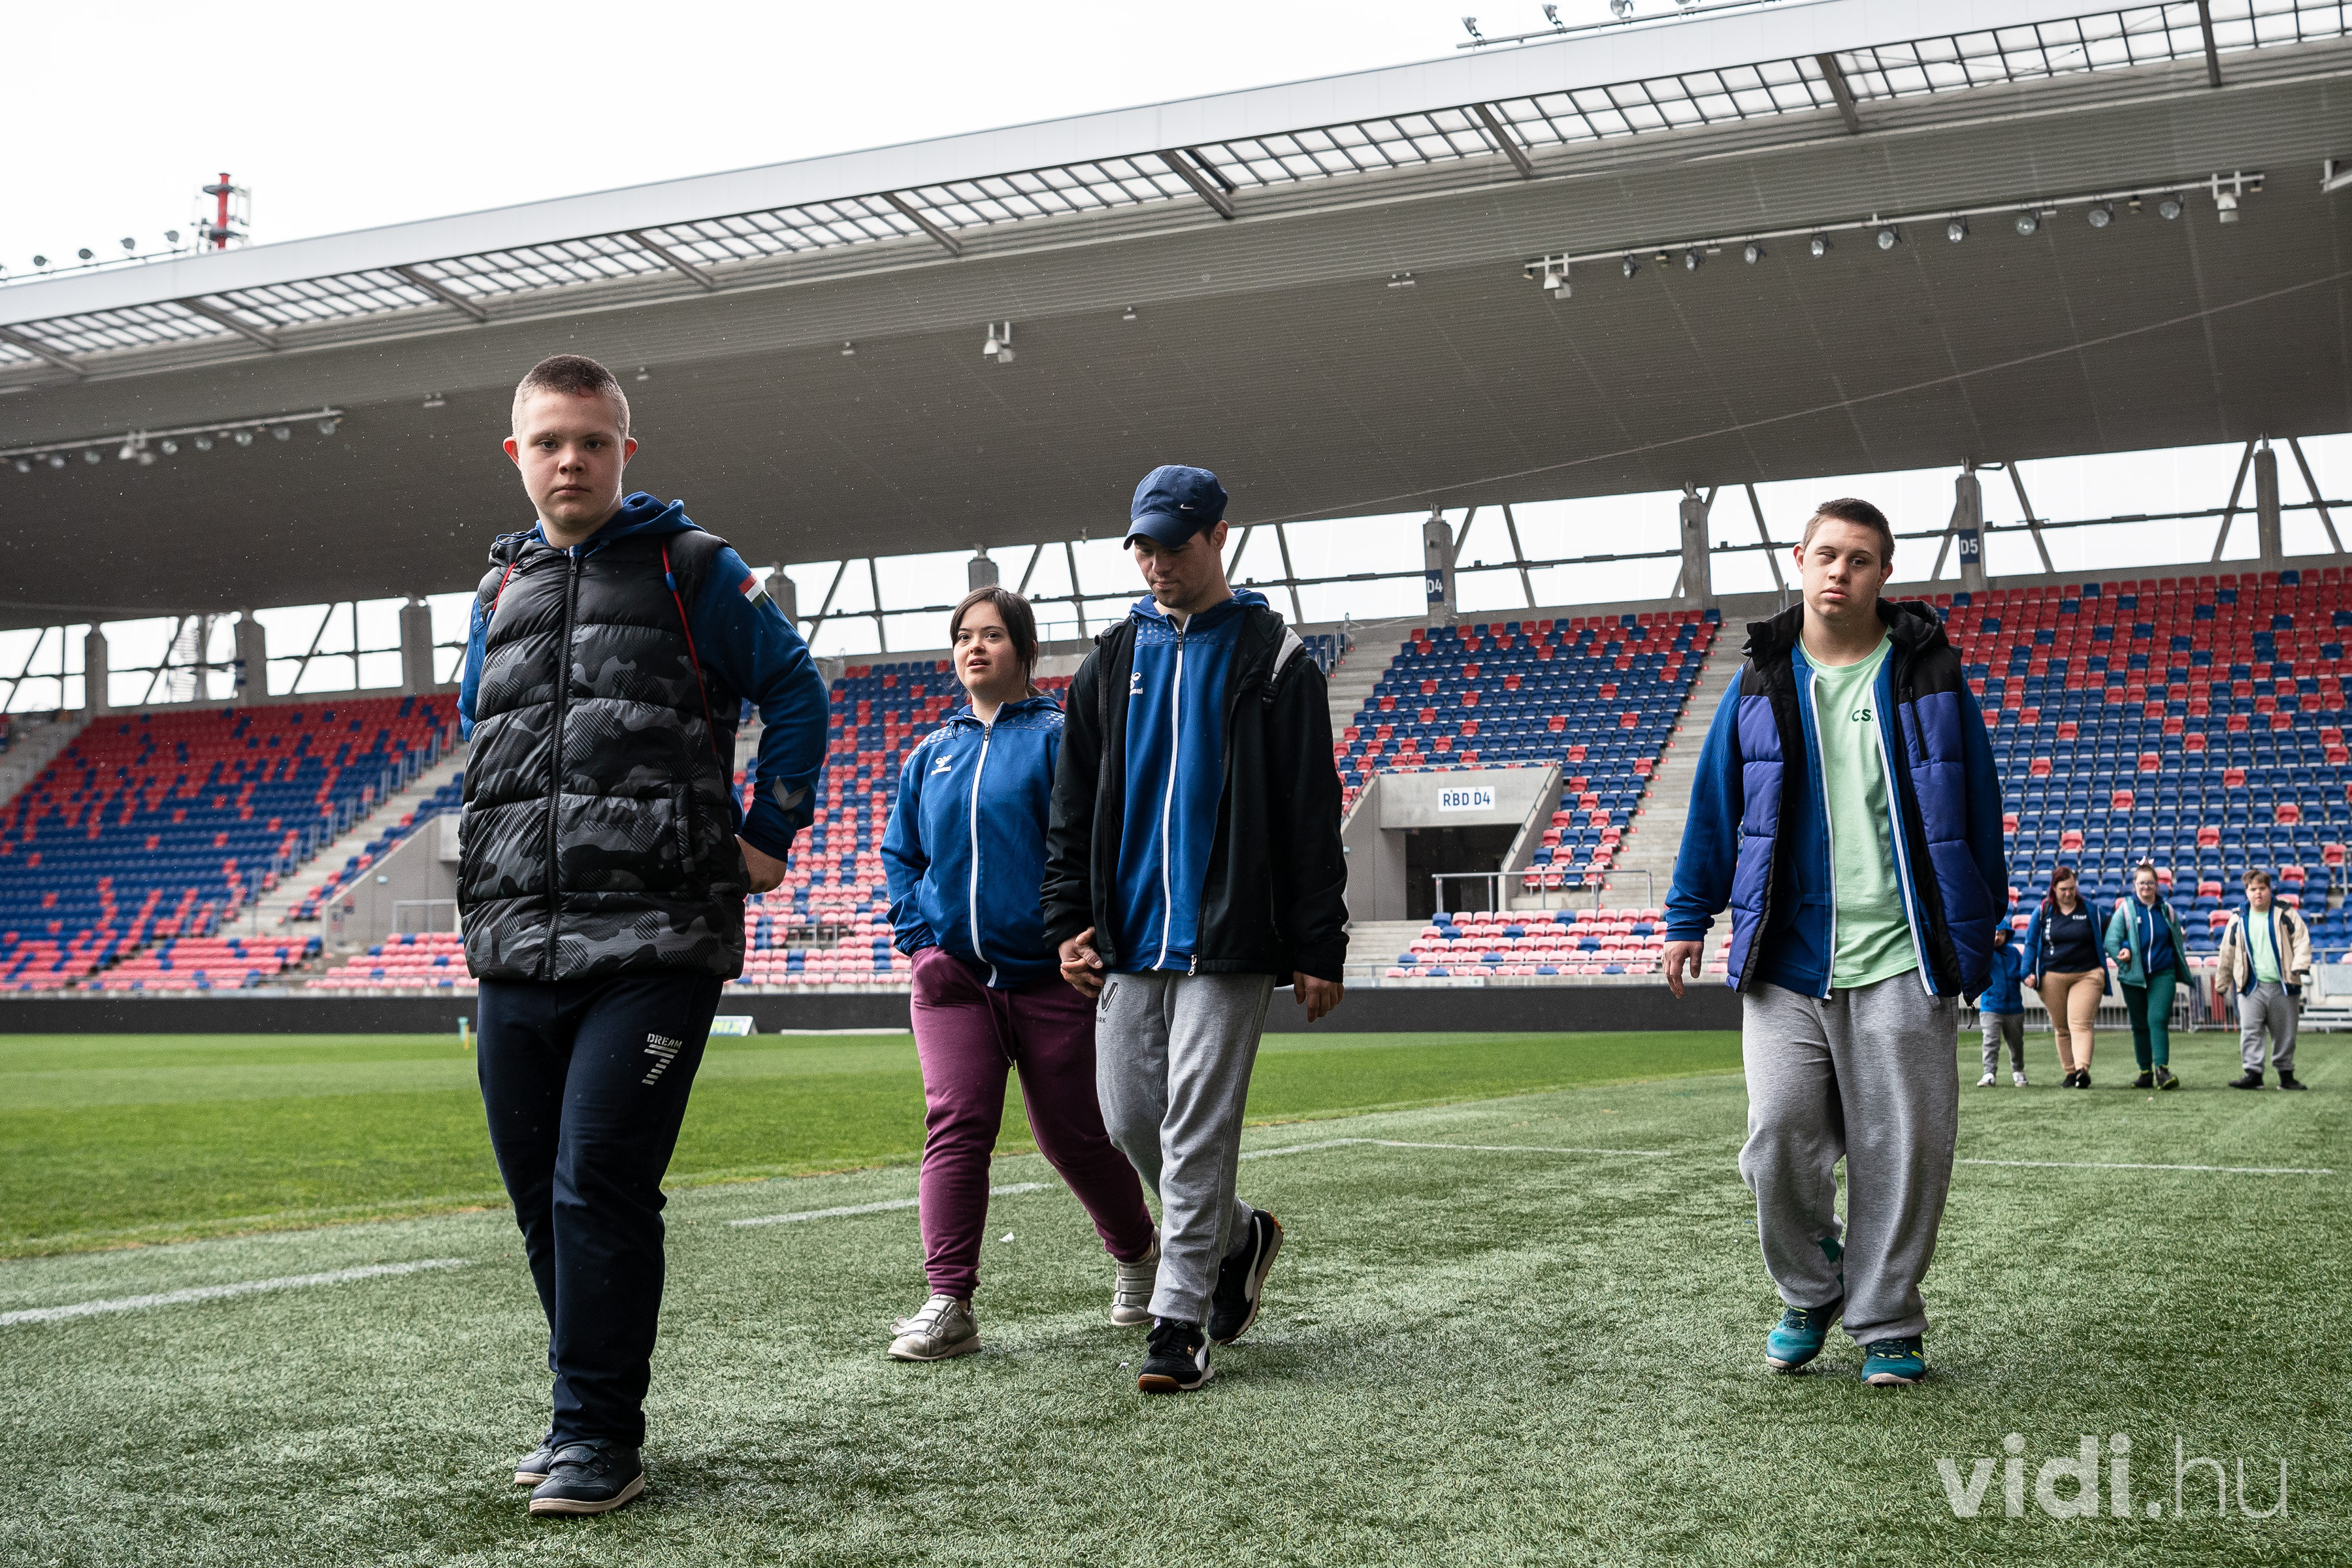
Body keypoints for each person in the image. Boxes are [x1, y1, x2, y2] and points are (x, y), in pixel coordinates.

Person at [458, 354, 829, 1516]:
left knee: (600, 1180)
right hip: (516, 940)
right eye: (549, 441)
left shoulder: (695, 567)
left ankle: (599, 1436)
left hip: (658, 939)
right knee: (539, 1194)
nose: (571, 460)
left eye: (592, 441)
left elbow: (798, 691)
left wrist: (768, 832)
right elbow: (484, 736)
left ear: (627, 452)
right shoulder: (497, 592)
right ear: (517, 455)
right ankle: (579, 1406)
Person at [1661, 497, 2004, 1388]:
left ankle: (1887, 1319)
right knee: (1777, 1136)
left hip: (1904, 952)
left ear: (1884, 572)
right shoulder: (1761, 679)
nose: (1840, 572)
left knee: (1906, 1147)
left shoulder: (1930, 673)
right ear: (1799, 561)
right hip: (1786, 958)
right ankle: (1812, 1289)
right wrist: (1687, 916)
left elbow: (1978, 810)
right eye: (1827, 555)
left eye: (1859, 559)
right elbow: (1715, 805)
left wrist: (1979, 933)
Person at [1041, 463, 1349, 1396]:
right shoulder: (1109, 659)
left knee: (1196, 1128)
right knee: (1128, 1115)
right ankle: (1241, 1236)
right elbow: (1072, 805)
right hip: (1130, 935)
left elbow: (1310, 810)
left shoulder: (1278, 659)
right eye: (1144, 547)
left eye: (1174, 545)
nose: (1157, 564)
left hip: (1234, 935)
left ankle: (1177, 1325)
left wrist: (1318, 943)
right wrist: (1069, 919)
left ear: (1220, 537)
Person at [878, 587, 1160, 1360]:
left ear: (1027, 651)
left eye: (993, 635)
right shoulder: (929, 756)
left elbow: (1099, 847)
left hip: (1050, 978)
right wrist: (922, 944)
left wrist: (1086, 937)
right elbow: (902, 857)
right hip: (954, 983)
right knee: (956, 1124)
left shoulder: (1061, 740)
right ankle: (949, 1302)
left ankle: (1139, 1254)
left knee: (1075, 1137)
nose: (975, 648)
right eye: (964, 636)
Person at [2217, 869, 2311, 1091]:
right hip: (2251, 986)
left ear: (2270, 890)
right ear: (2246, 892)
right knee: (2250, 1030)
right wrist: (2222, 981)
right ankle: (2253, 1074)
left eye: (2262, 888)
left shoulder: (2285, 913)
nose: (2258, 893)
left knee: (2285, 1032)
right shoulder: (2238, 918)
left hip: (2284, 984)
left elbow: (2301, 940)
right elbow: (2227, 951)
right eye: (2253, 889)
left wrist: (2300, 965)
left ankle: (2286, 1076)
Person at [2105, 862, 2191, 1091]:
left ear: (2157, 885)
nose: (2146, 887)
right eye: (2142, 883)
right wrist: (2122, 956)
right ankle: (2145, 1073)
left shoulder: (2167, 910)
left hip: (2163, 974)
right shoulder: (2126, 909)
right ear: (2134, 884)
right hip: (2133, 977)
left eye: (2150, 883)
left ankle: (2162, 1070)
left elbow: (2177, 940)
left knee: (2157, 1019)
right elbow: (2111, 941)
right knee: (2140, 1025)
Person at [2021, 865, 2104, 1088]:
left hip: (2087, 975)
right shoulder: (2043, 911)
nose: (2068, 893)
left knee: (2080, 1024)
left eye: (2072, 888)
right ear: (2054, 889)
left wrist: (2124, 946)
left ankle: (2082, 1070)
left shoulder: (2091, 910)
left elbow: (2113, 932)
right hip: (2052, 976)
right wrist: (2027, 972)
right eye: (2063, 889)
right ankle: (2070, 1072)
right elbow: (2031, 943)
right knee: (2061, 1027)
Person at [1976, 923, 2027, 1087]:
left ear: (2007, 935)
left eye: (2002, 934)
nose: (1998, 937)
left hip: (2015, 1008)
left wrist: (2030, 977)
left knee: (2016, 1043)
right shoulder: (1982, 953)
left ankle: (2019, 1071)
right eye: (1995, 933)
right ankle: (1989, 1074)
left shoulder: (2014, 952)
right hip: (1991, 1006)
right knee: (1990, 1041)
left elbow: (2024, 972)